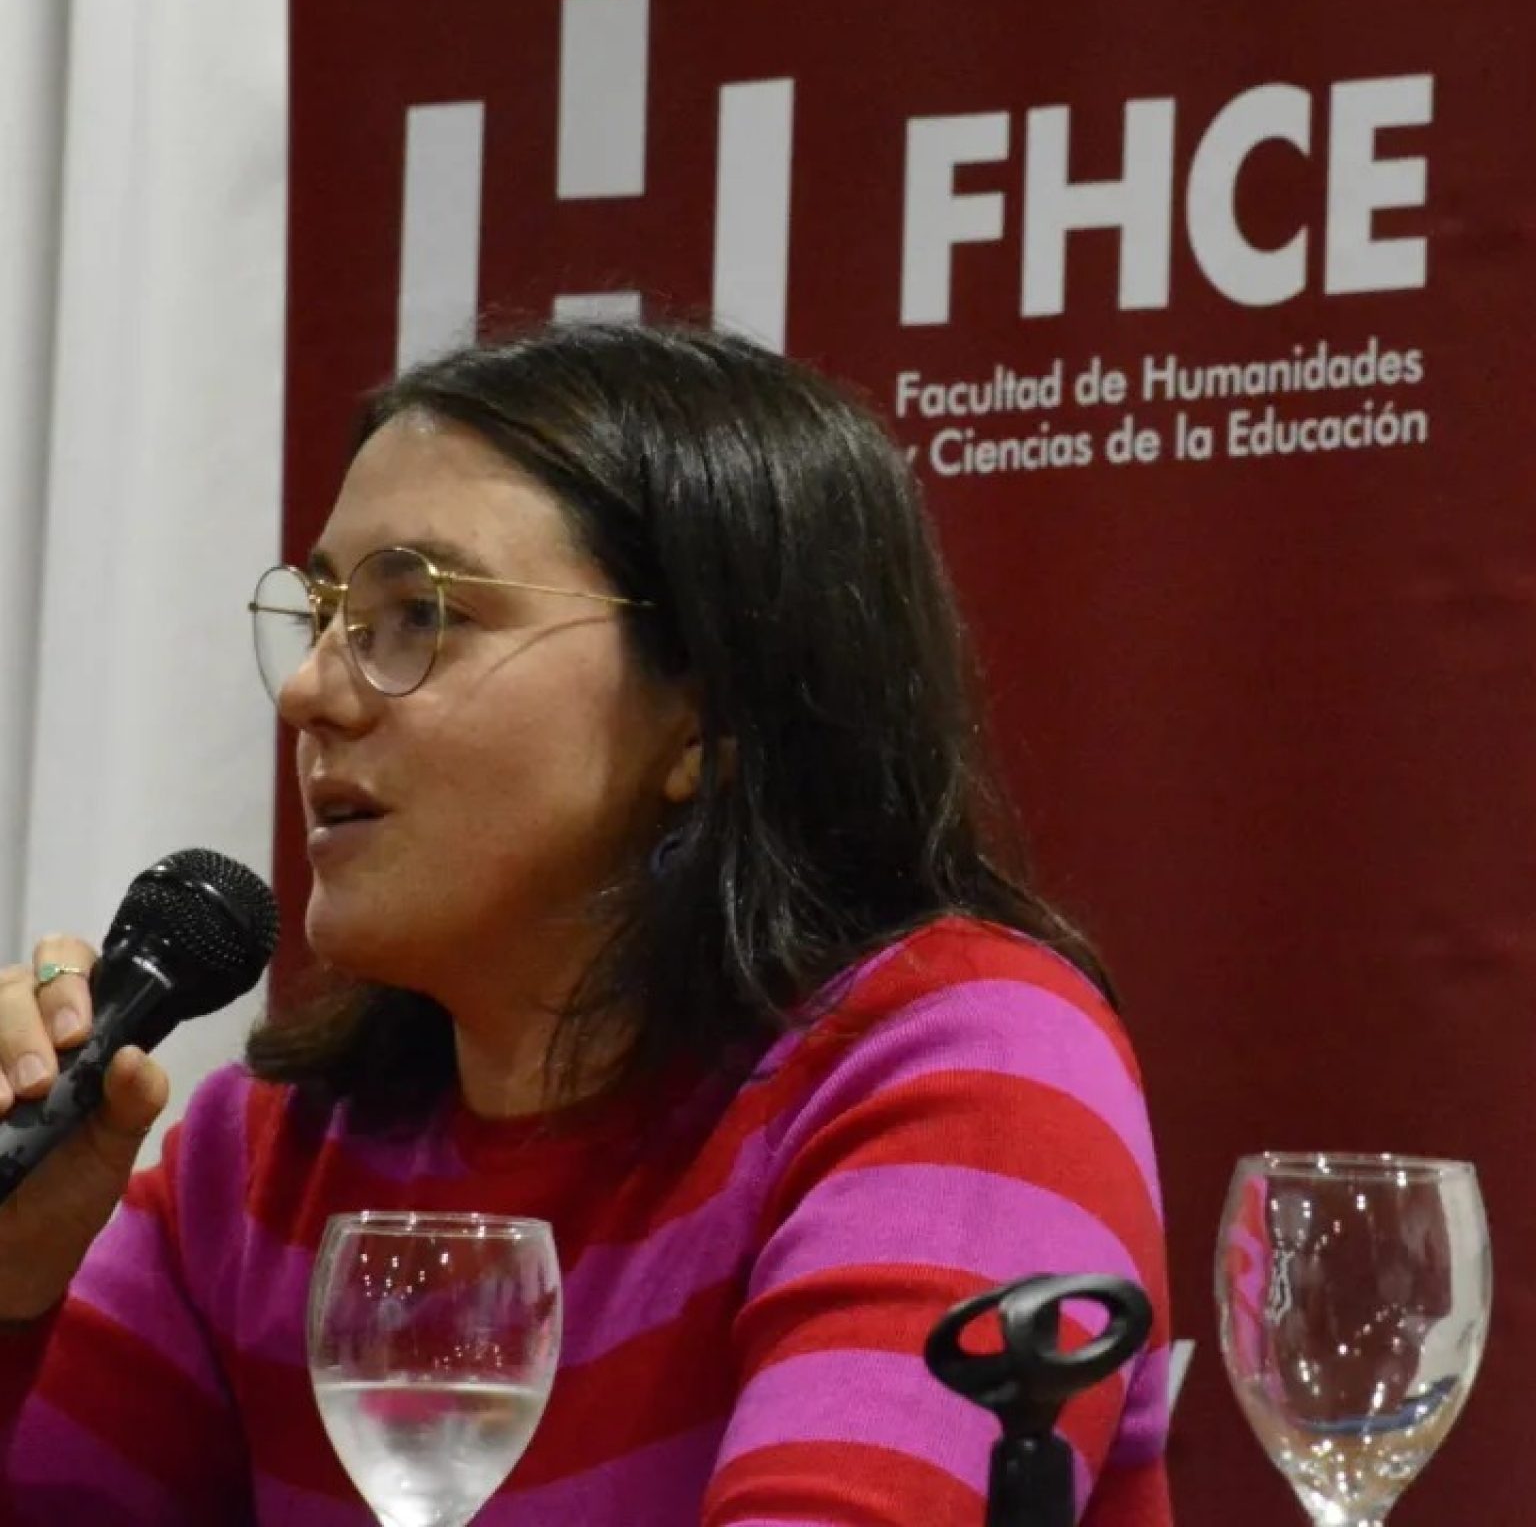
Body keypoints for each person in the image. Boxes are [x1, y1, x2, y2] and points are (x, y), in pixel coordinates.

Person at [0, 321, 1173, 1525]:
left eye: (421, 614)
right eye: (326, 618)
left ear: (703, 717)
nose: (308, 693)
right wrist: (12, 1292)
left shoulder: (966, 1068)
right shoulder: (264, 1167)